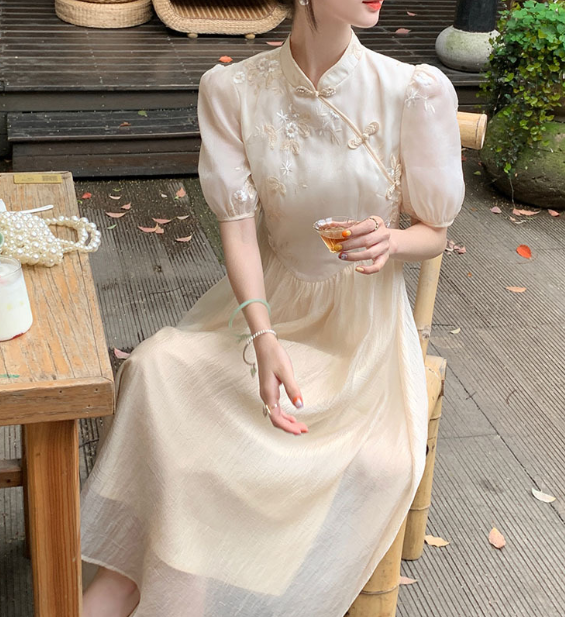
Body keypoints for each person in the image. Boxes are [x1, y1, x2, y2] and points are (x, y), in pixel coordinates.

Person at [80, 0, 465, 615]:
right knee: (155, 367)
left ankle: (162, 583)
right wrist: (263, 338)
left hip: (359, 335)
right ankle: (144, 581)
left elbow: (435, 232)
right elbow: (237, 232)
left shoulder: (412, 92)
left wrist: (392, 241)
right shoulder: (233, 90)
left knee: (371, 459)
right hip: (266, 310)